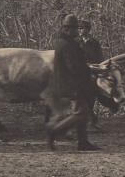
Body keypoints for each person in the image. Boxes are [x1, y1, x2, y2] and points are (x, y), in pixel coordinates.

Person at [45, 14, 101, 151]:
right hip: (73, 84)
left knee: (82, 111)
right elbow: (74, 67)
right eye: (76, 28)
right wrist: (88, 69)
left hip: (69, 83)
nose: (78, 31)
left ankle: (83, 142)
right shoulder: (67, 45)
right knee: (81, 113)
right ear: (68, 29)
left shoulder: (63, 42)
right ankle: (54, 131)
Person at [78, 19, 106, 130]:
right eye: (79, 28)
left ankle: (92, 120)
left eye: (82, 28)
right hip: (79, 71)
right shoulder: (76, 42)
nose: (80, 30)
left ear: (88, 30)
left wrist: (98, 67)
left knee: (93, 93)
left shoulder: (94, 42)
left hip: (93, 71)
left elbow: (100, 57)